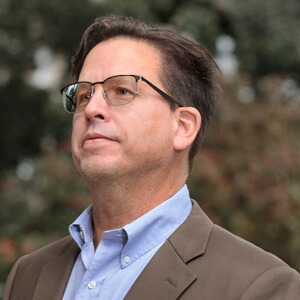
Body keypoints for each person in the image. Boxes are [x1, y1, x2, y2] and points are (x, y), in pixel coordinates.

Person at [3, 15, 299, 300]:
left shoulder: (259, 286)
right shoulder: (28, 276)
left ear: (182, 127)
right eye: (82, 96)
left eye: (121, 90)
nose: (92, 109)